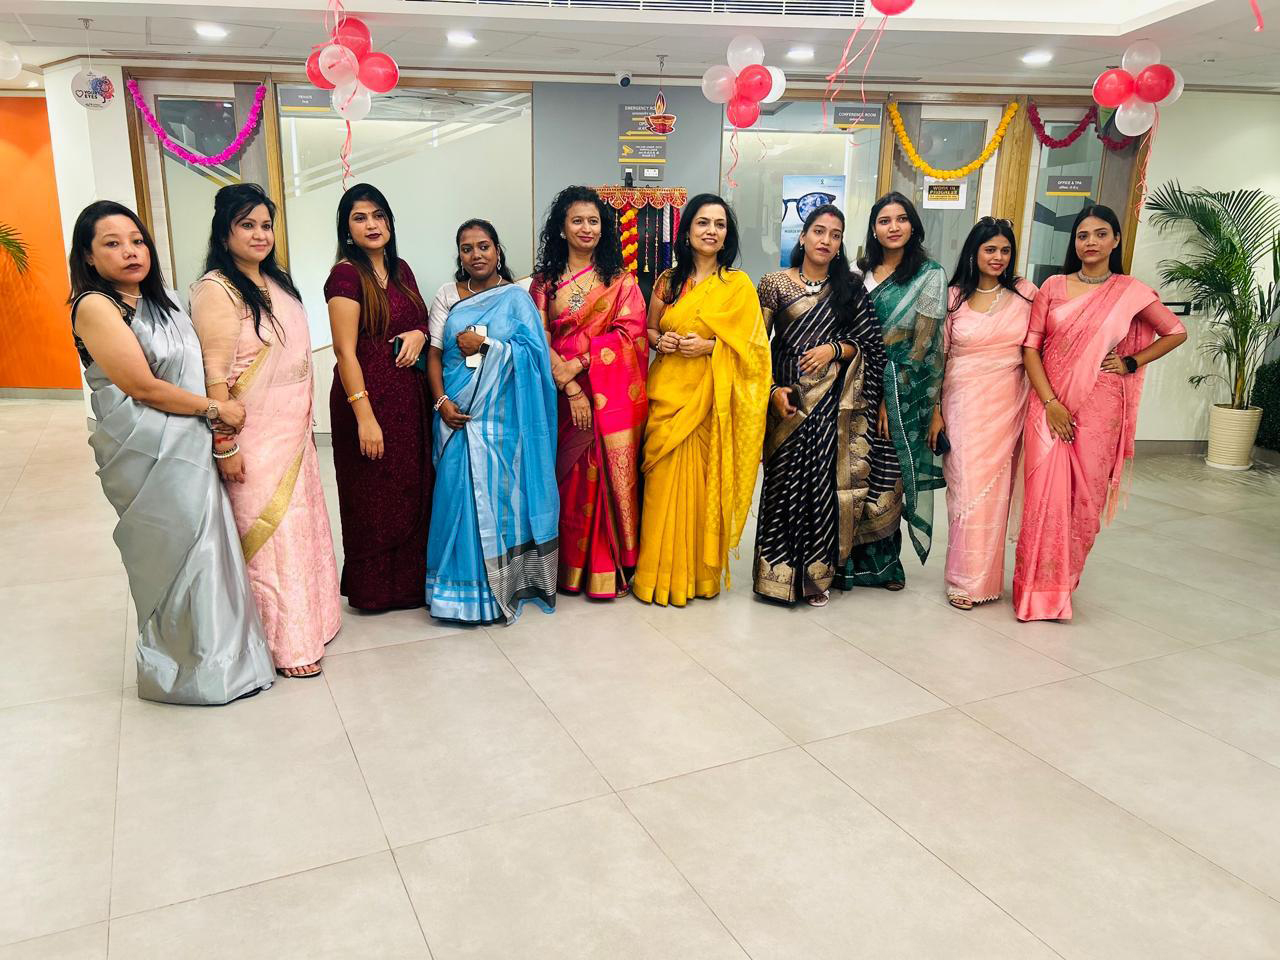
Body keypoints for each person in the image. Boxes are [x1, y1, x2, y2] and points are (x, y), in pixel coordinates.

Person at [67, 201, 274, 705]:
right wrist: (216, 409)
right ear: (89, 257)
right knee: (178, 553)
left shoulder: (167, 300)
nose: (130, 251)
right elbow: (142, 387)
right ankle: (185, 673)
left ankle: (229, 664)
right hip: (147, 451)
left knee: (210, 550)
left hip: (191, 442)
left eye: (137, 240)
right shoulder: (95, 306)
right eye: (112, 244)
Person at [190, 183, 342, 677]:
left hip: (293, 435)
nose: (260, 234)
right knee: (271, 540)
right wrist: (224, 444)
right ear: (224, 233)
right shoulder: (217, 289)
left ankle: (313, 623)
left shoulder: (275, 282)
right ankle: (283, 646)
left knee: (301, 530)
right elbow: (215, 377)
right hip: (252, 439)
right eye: (247, 225)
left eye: (265, 225)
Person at [1014, 205, 1186, 621]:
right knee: (1042, 500)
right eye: (1082, 235)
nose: (1090, 242)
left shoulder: (1129, 291)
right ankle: (1032, 593)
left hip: (1100, 409)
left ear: (1116, 240)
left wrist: (1131, 361)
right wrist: (1052, 403)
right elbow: (1030, 348)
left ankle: (1060, 588)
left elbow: (1175, 331)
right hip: (1048, 404)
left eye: (1100, 233)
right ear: (1074, 242)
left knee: (1083, 502)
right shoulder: (1053, 286)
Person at [633, 194, 770, 607]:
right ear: (688, 230)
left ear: (727, 235)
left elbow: (755, 352)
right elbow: (650, 330)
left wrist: (710, 347)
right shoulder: (668, 281)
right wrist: (663, 341)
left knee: (702, 492)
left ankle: (698, 578)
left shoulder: (738, 286)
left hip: (711, 403)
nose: (711, 231)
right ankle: (653, 577)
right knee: (661, 488)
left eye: (719, 224)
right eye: (703, 223)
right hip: (668, 395)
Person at [423, 219, 560, 624]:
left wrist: (486, 345)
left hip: (503, 423)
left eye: (483, 246)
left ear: (497, 251)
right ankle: (454, 594)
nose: (476, 254)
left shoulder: (516, 299)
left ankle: (499, 587)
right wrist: (441, 402)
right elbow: (434, 355)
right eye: (467, 248)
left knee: (501, 502)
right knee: (454, 496)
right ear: (459, 255)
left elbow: (534, 358)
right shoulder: (448, 295)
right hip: (456, 414)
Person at [753, 204, 879, 607]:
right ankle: (775, 576)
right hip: (786, 400)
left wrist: (834, 349)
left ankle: (814, 577)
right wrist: (772, 391)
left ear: (840, 244)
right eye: (819, 231)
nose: (826, 240)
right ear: (803, 235)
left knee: (821, 486)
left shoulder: (850, 288)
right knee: (782, 484)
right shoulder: (774, 283)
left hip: (830, 404)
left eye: (835, 234)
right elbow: (756, 347)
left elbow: (869, 344)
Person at [529, 187, 649, 599]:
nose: (586, 228)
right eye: (577, 220)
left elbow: (630, 336)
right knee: (565, 481)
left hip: (606, 394)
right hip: (557, 395)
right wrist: (567, 384)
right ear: (561, 228)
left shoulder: (620, 281)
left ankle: (602, 567)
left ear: (603, 228)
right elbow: (535, 337)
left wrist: (579, 364)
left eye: (593, 221)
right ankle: (564, 568)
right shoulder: (544, 283)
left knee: (600, 476)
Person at [325, 183, 432, 612]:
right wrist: (365, 417)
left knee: (412, 489)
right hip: (366, 401)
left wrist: (419, 333)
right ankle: (372, 592)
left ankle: (410, 586)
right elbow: (344, 351)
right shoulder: (345, 276)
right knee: (371, 496)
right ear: (347, 230)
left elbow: (421, 319)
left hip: (408, 400)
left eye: (378, 215)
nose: (372, 224)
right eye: (360, 217)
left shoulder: (401, 269)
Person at [837, 192, 947, 592]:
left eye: (901, 219)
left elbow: (924, 343)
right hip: (851, 383)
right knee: (851, 473)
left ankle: (885, 567)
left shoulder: (929, 275)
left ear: (913, 226)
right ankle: (844, 563)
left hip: (900, 388)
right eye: (884, 221)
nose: (893, 227)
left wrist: (890, 395)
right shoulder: (856, 272)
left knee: (886, 473)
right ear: (873, 229)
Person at [937, 218, 1036, 610]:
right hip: (962, 404)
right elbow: (939, 358)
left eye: (1005, 250)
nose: (998, 257)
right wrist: (934, 412)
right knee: (964, 488)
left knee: (996, 493)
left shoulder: (1026, 294)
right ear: (974, 252)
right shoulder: (953, 298)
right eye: (990, 249)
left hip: (1008, 405)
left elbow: (1044, 343)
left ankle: (984, 580)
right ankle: (961, 579)